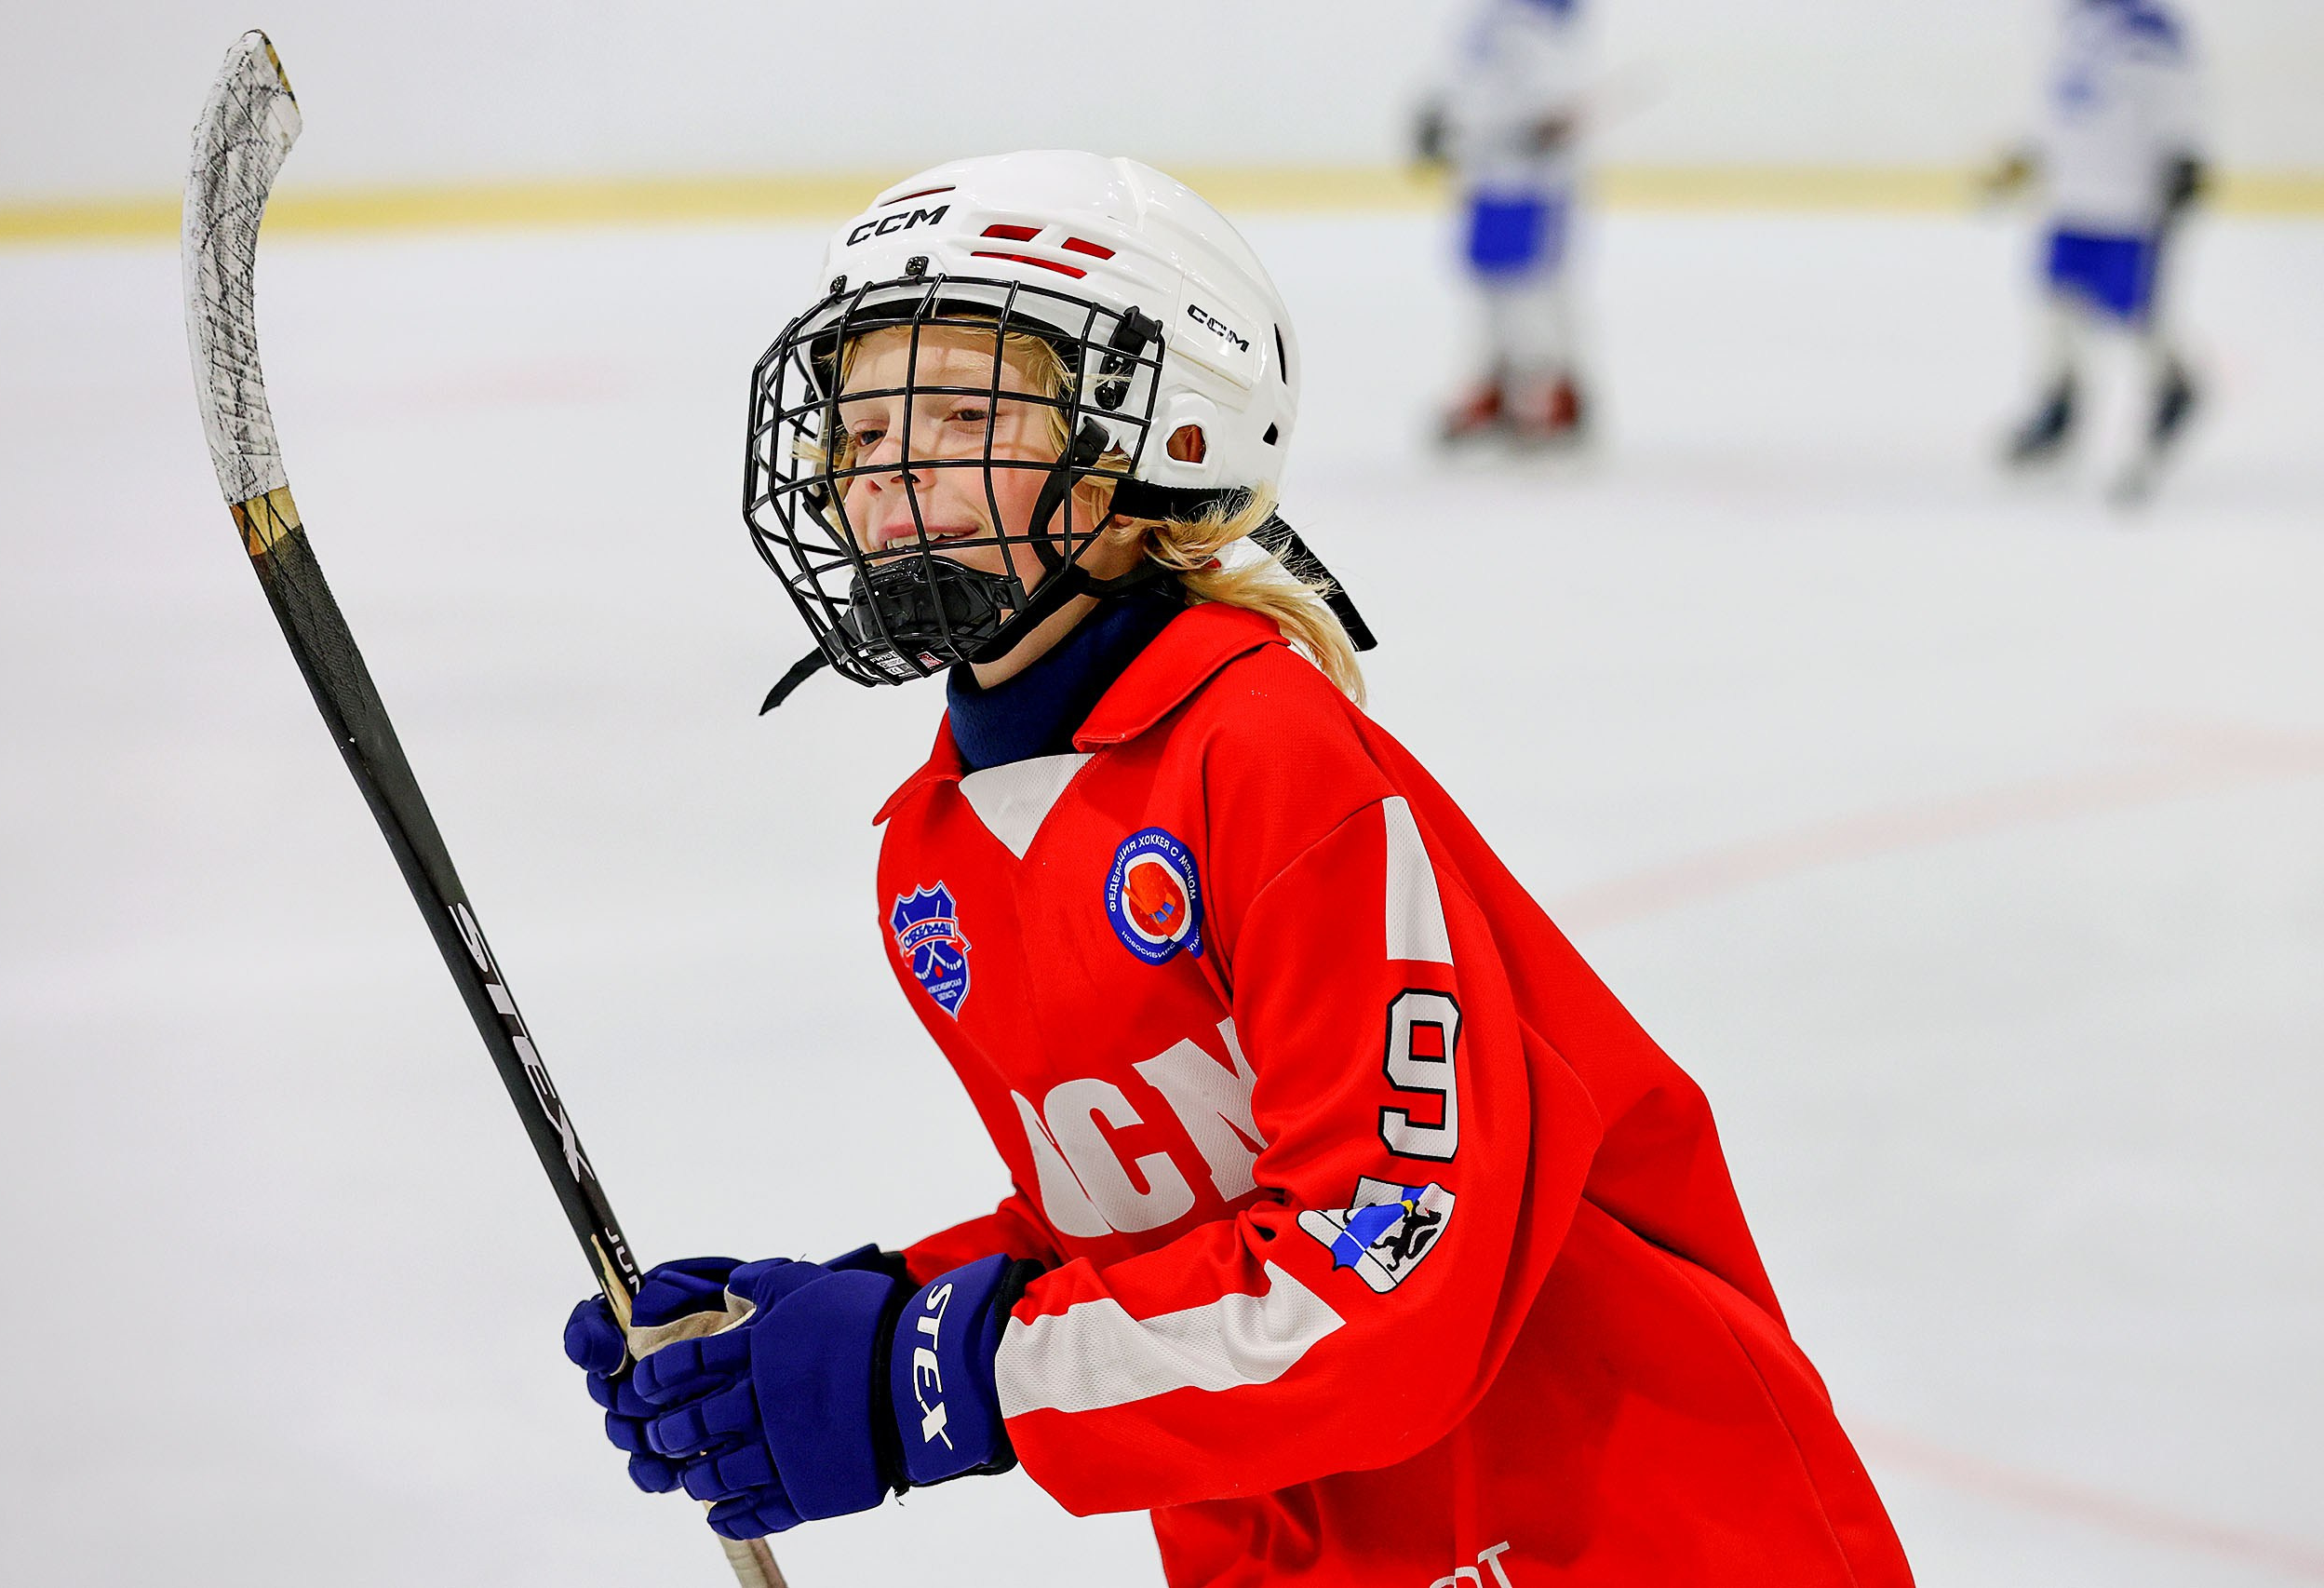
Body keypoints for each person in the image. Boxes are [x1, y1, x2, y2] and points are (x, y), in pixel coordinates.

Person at [562, 151, 1914, 1587]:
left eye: (964, 414)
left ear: (1160, 435)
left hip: (1622, 1525)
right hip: (1292, 1537)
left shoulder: (1265, 751)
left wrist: (927, 1379)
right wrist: (865, 1311)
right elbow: (1156, 1219)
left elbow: (1375, 1271)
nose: (895, 481)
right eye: (862, 426)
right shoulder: (936, 854)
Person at [1990, 0, 2206, 503]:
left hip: (2126, 197)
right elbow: (2058, 99)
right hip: (2072, 194)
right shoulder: (2067, 17)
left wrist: (2184, 155)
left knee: (2133, 316)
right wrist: (2032, 154)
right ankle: (2059, 403)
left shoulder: (2149, 21)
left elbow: (2181, 93)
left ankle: (2171, 384)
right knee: (2053, 298)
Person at [1416, 0, 1591, 450]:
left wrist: (1543, 125)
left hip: (1529, 183)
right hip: (1489, 177)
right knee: (1490, 288)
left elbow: (1555, 101)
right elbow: (1470, 82)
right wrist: (1444, 118)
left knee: (1530, 293)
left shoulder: (1535, 22)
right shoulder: (1491, 16)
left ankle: (1549, 390)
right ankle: (1496, 387)